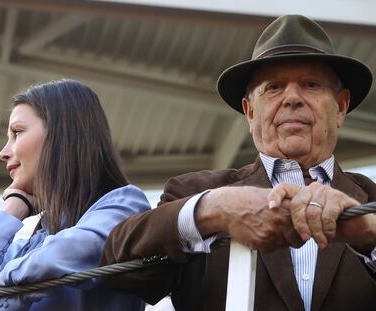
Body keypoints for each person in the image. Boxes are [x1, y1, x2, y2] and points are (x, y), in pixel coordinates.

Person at [101, 15, 376, 311]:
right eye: (274, 87)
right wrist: (213, 209)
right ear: (250, 112)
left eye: (311, 85)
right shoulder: (196, 191)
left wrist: (369, 234)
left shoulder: (370, 201)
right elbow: (120, 269)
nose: (292, 98)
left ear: (341, 107)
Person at [0, 79, 151, 310]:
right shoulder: (29, 246)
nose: (3, 153)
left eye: (17, 132)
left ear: (62, 135)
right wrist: (13, 209)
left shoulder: (124, 207)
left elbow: (52, 262)